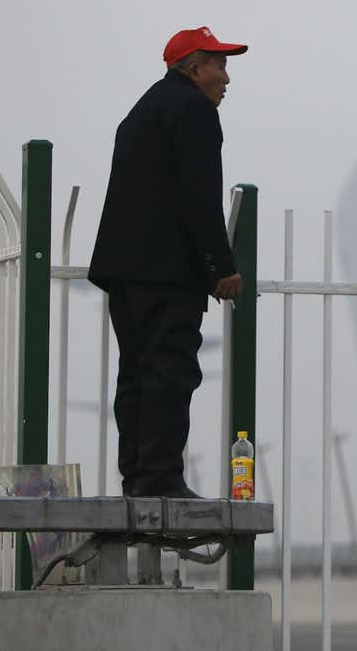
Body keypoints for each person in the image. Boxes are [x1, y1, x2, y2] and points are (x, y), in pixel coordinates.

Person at [87, 26, 249, 499]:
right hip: (167, 273)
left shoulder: (143, 110)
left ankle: (138, 478)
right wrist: (221, 266)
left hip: (125, 269)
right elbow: (198, 193)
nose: (226, 78)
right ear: (193, 68)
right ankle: (160, 481)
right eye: (219, 66)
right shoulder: (193, 110)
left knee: (136, 373)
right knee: (169, 372)